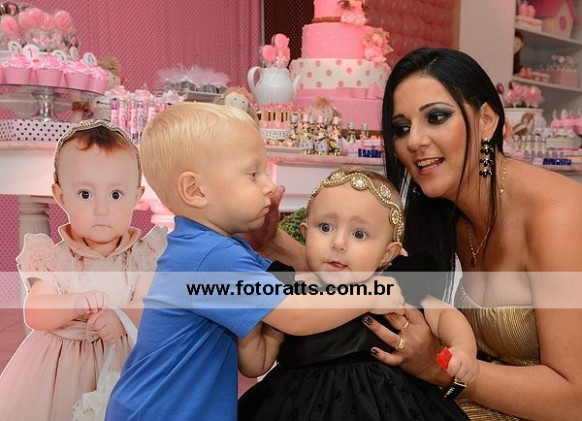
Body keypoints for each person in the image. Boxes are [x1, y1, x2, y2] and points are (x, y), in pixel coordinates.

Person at [249, 48, 582, 420]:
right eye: (402, 128)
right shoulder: (446, 212)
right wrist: (273, 243)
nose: (414, 141)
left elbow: (575, 400)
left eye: (436, 117)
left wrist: (438, 369)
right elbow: (357, 276)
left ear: (486, 120)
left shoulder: (557, 216)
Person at [104, 103, 404, 421]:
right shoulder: (212, 257)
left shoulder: (218, 249)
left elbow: (256, 361)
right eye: (253, 174)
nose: (269, 186)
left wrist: (283, 302)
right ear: (195, 190)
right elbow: (297, 316)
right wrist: (370, 294)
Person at [239, 167, 476, 421]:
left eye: (359, 234)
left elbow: (444, 314)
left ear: (387, 253)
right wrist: (247, 316)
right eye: (326, 227)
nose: (338, 243)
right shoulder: (293, 289)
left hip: (389, 405)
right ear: (306, 234)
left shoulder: (393, 286)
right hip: (298, 404)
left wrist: (463, 350)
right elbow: (256, 363)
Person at [0, 120, 167, 421]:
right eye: (86, 194)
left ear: (136, 195)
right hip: (61, 373)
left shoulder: (142, 257)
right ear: (61, 196)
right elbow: (35, 312)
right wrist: (73, 303)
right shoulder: (55, 258)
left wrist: (122, 316)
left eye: (115, 195)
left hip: (122, 364)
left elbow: (148, 304)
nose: (101, 209)